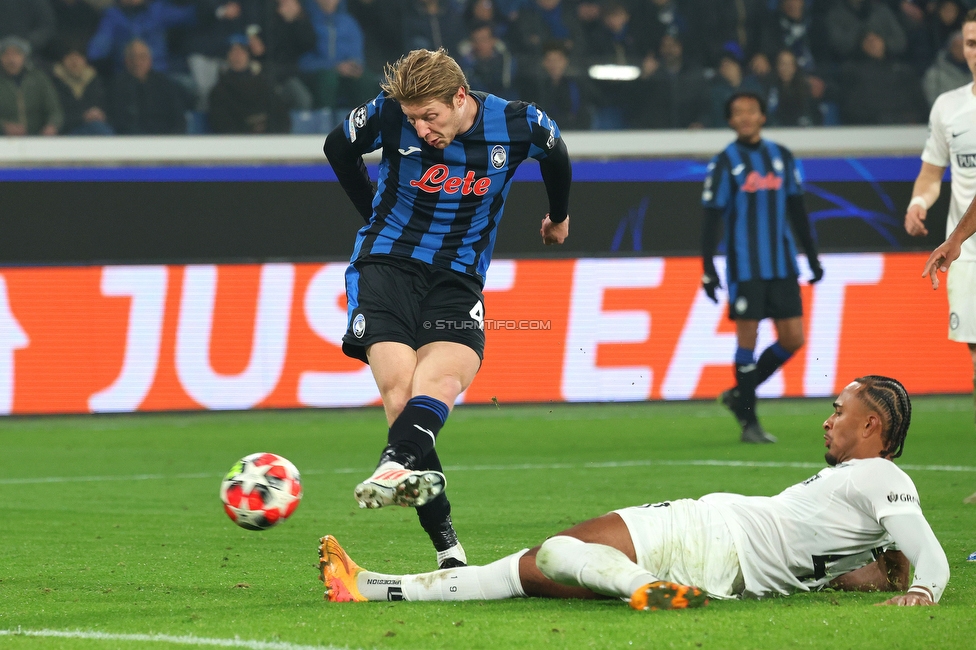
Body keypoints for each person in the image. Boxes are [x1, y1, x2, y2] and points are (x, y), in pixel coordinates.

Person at [318, 376, 949, 609]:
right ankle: (370, 585)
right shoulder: (866, 494)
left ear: (872, 425)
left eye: (839, 411)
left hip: (705, 533)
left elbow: (932, 556)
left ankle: (639, 588)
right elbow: (864, 563)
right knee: (526, 574)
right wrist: (891, 574)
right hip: (730, 571)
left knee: (551, 555)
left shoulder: (879, 477)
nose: (827, 420)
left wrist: (922, 589)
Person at [323, 47, 571, 569]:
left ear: (460, 98)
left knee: (441, 384)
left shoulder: (519, 122)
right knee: (399, 392)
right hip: (386, 264)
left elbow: (558, 154)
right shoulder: (391, 114)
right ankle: (448, 549)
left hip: (458, 276)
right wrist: (372, 210)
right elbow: (337, 146)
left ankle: (394, 468)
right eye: (412, 118)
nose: (420, 129)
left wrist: (558, 215)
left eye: (430, 117)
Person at [701, 91, 823, 444]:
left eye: (751, 111)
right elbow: (711, 218)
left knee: (793, 338)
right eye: (737, 112)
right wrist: (708, 267)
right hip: (745, 267)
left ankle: (741, 395)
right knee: (747, 341)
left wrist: (812, 256)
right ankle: (749, 423)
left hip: (783, 264)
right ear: (730, 120)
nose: (745, 117)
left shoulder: (781, 157)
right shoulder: (725, 162)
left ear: (762, 116)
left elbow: (798, 209)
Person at [909, 10, 976, 502]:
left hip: (960, 242)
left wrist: (953, 239)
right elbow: (933, 173)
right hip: (969, 253)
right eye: (971, 43)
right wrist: (919, 202)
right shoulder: (949, 108)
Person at [207, 34, 289, 134]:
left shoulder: (264, 85)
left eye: (242, 50)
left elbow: (281, 117)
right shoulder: (219, 92)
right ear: (227, 56)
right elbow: (223, 126)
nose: (237, 55)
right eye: (233, 51)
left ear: (248, 54)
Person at [0, 36, 62, 136]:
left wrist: (52, 126)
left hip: (37, 140)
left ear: (24, 57)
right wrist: (4, 126)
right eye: (6, 54)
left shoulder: (39, 79)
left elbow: (54, 110)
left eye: (16, 54)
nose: (11, 59)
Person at [51, 41, 114, 135]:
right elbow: (56, 115)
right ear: (63, 61)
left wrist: (100, 114)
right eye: (70, 58)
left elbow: (107, 108)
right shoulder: (54, 82)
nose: (74, 62)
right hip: (66, 132)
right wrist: (83, 117)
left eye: (78, 57)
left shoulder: (94, 81)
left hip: (94, 127)